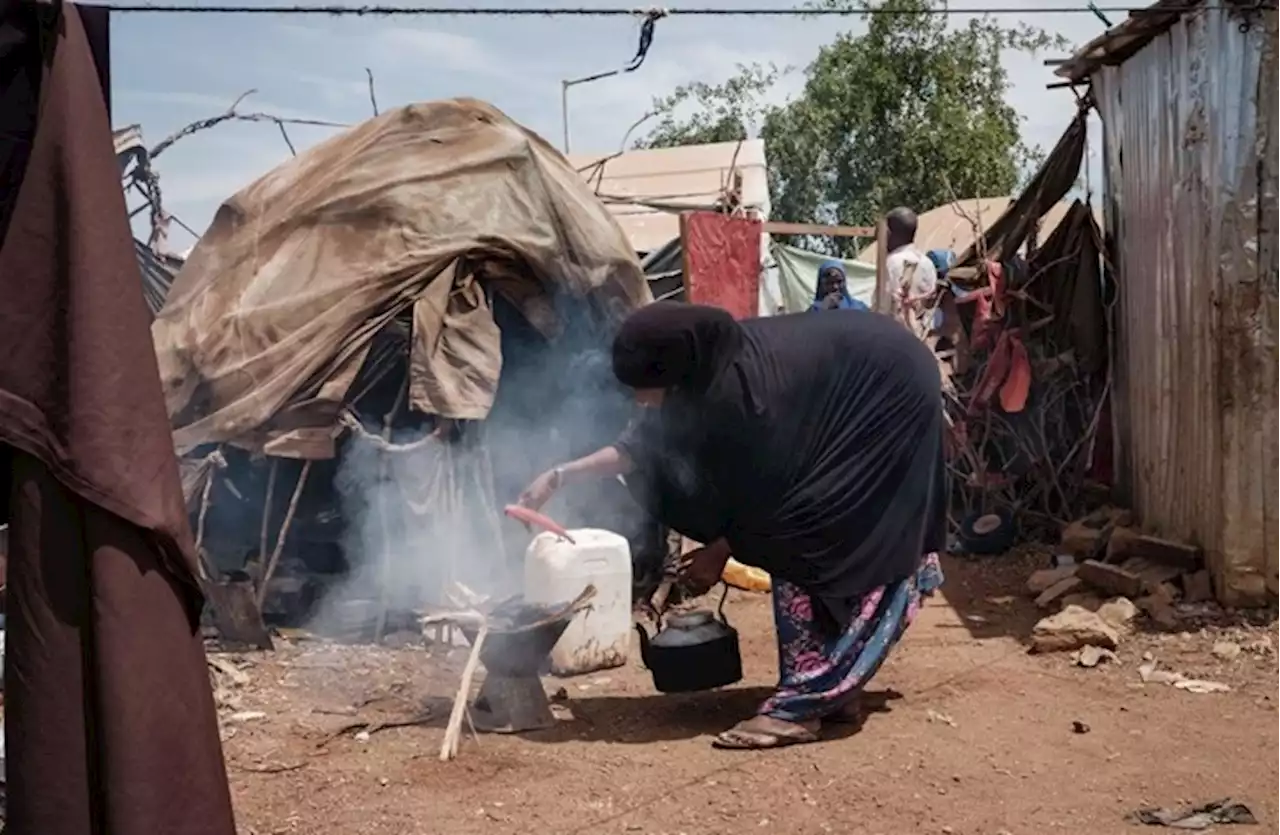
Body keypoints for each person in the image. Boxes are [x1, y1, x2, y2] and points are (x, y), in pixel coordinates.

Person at [518, 302, 946, 750]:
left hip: (890, 395)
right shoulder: (701, 369)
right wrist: (559, 475)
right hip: (859, 375)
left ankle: (802, 705)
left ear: (674, 370)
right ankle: (831, 691)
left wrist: (720, 551)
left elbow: (770, 498)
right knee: (801, 534)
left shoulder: (745, 397)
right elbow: (640, 446)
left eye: (646, 390)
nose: (641, 401)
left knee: (803, 535)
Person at [882, 207, 938, 336]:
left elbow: (883, 306)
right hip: (922, 336)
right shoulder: (927, 263)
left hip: (896, 336)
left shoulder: (891, 263)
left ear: (890, 233)